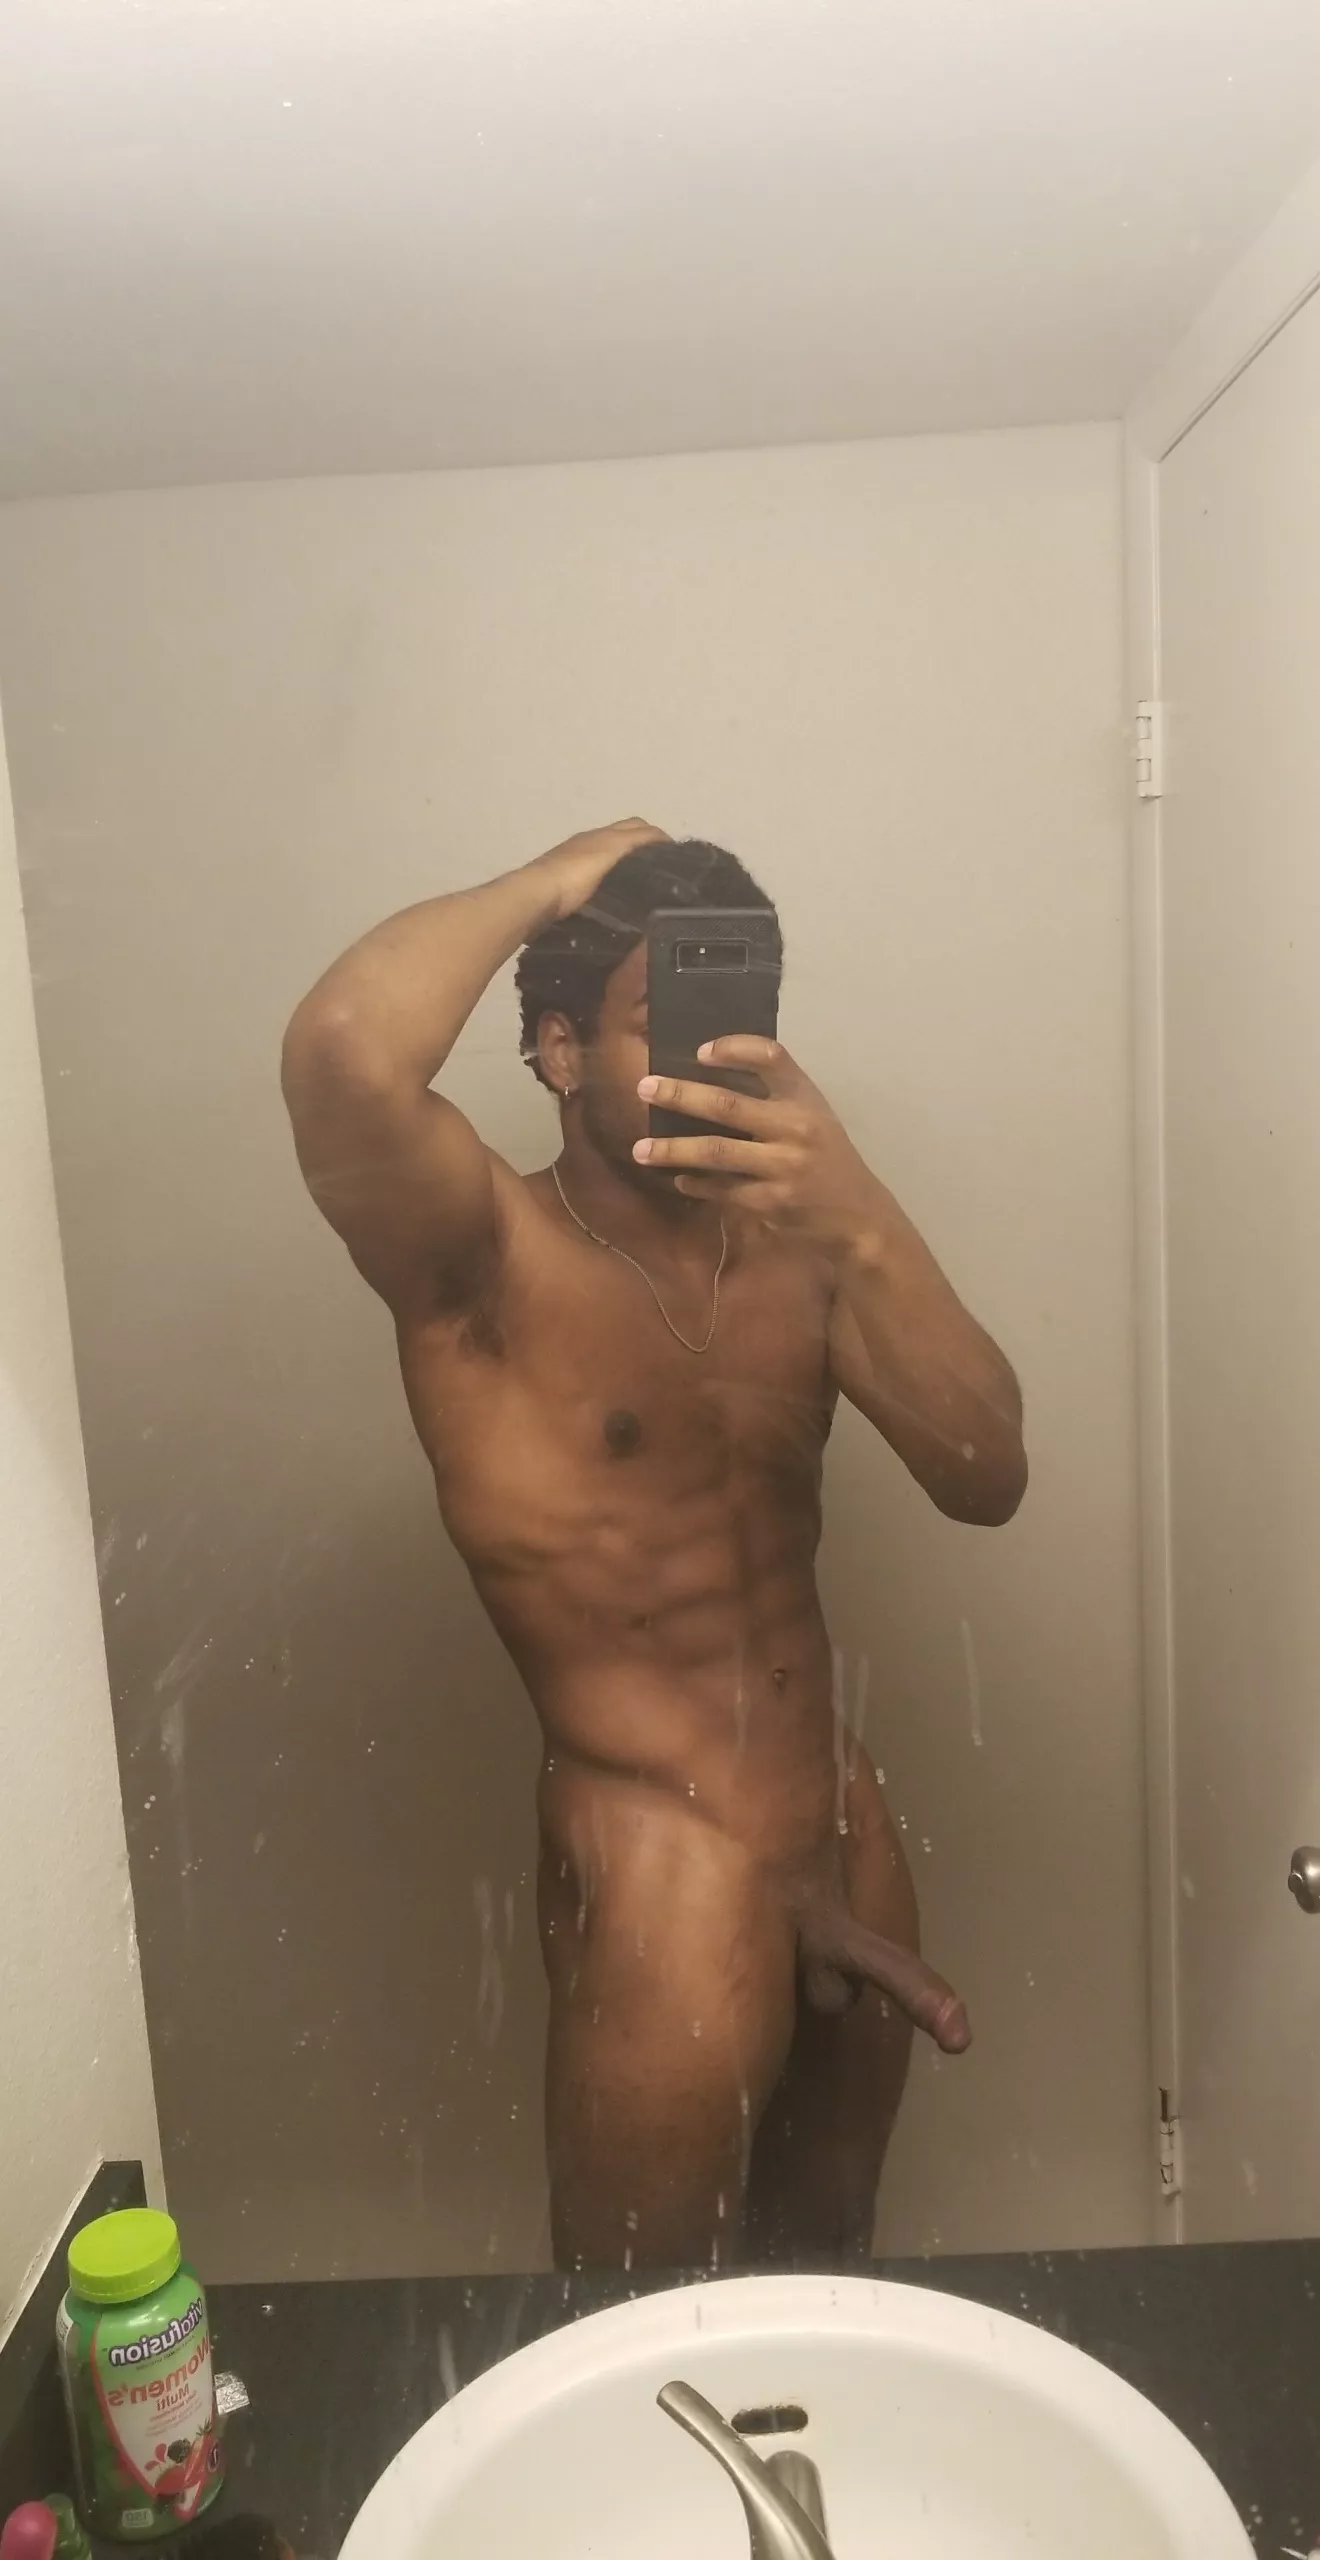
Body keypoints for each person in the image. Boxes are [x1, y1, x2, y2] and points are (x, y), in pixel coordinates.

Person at [281, 819, 1026, 2269]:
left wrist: (862, 1216)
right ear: (559, 1052)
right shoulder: (483, 1254)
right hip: (663, 1865)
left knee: (832, 2279)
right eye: (661, 1018)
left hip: (839, 1822)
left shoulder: (803, 1246)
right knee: (640, 2332)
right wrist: (558, 879)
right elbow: (342, 1056)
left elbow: (987, 1471)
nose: (717, 1058)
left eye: (741, 1016)